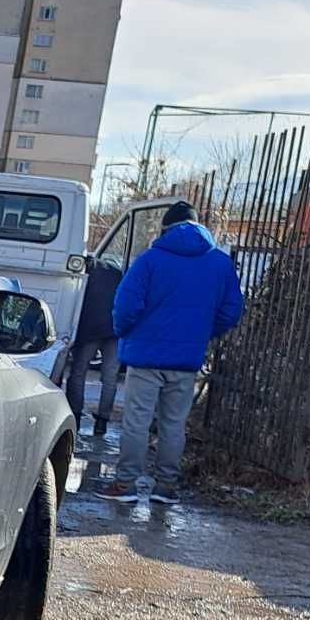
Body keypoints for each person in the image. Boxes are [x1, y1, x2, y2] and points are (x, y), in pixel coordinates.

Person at [96, 200, 243, 505]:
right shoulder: (219, 263)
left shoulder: (150, 260)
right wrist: (201, 334)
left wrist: (126, 332)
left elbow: (125, 306)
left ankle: (126, 485)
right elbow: (231, 310)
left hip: (145, 357)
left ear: (166, 229)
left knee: (136, 420)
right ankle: (166, 487)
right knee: (174, 424)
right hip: (186, 360)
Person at [65, 256, 122, 437]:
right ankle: (102, 423)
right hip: (115, 328)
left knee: (79, 371)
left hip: (91, 327)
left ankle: (75, 417)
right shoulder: (117, 272)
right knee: (110, 377)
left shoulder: (85, 271)